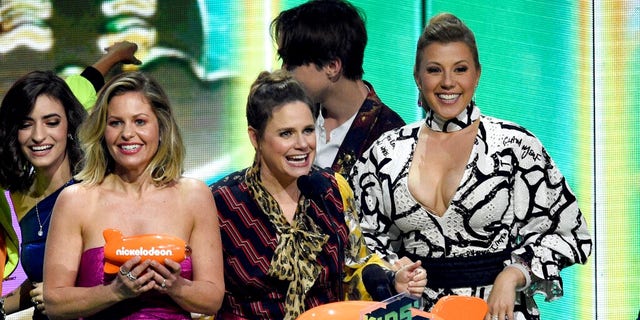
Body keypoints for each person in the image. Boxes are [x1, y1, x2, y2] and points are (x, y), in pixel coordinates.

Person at [350, 13, 592, 320]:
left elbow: (571, 233)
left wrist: (515, 273)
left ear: (477, 75)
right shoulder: (386, 152)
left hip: (496, 311)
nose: (448, 82)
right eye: (434, 70)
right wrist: (392, 274)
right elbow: (361, 241)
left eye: (460, 69)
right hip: (416, 313)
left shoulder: (513, 146)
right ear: (417, 77)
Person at [210, 69, 425, 320]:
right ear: (255, 138)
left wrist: (391, 281)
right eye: (286, 133)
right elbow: (204, 299)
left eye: (308, 130)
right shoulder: (220, 203)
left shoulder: (332, 189)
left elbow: (355, 268)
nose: (302, 144)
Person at [42, 71, 224, 319]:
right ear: (102, 132)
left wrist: (175, 286)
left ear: (160, 127)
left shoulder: (194, 196)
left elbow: (212, 299)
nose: (127, 134)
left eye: (139, 121)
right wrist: (115, 291)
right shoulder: (76, 200)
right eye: (115, 123)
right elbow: (54, 303)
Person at [0, 41, 140, 319]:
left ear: (69, 125)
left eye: (52, 122)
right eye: (26, 124)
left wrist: (119, 53)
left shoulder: (97, 191)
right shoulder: (13, 196)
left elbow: (123, 278)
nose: (39, 136)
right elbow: (85, 82)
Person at [271, 0, 405, 179]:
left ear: (332, 66)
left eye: (292, 63)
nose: (283, 71)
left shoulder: (393, 140)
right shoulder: (286, 116)